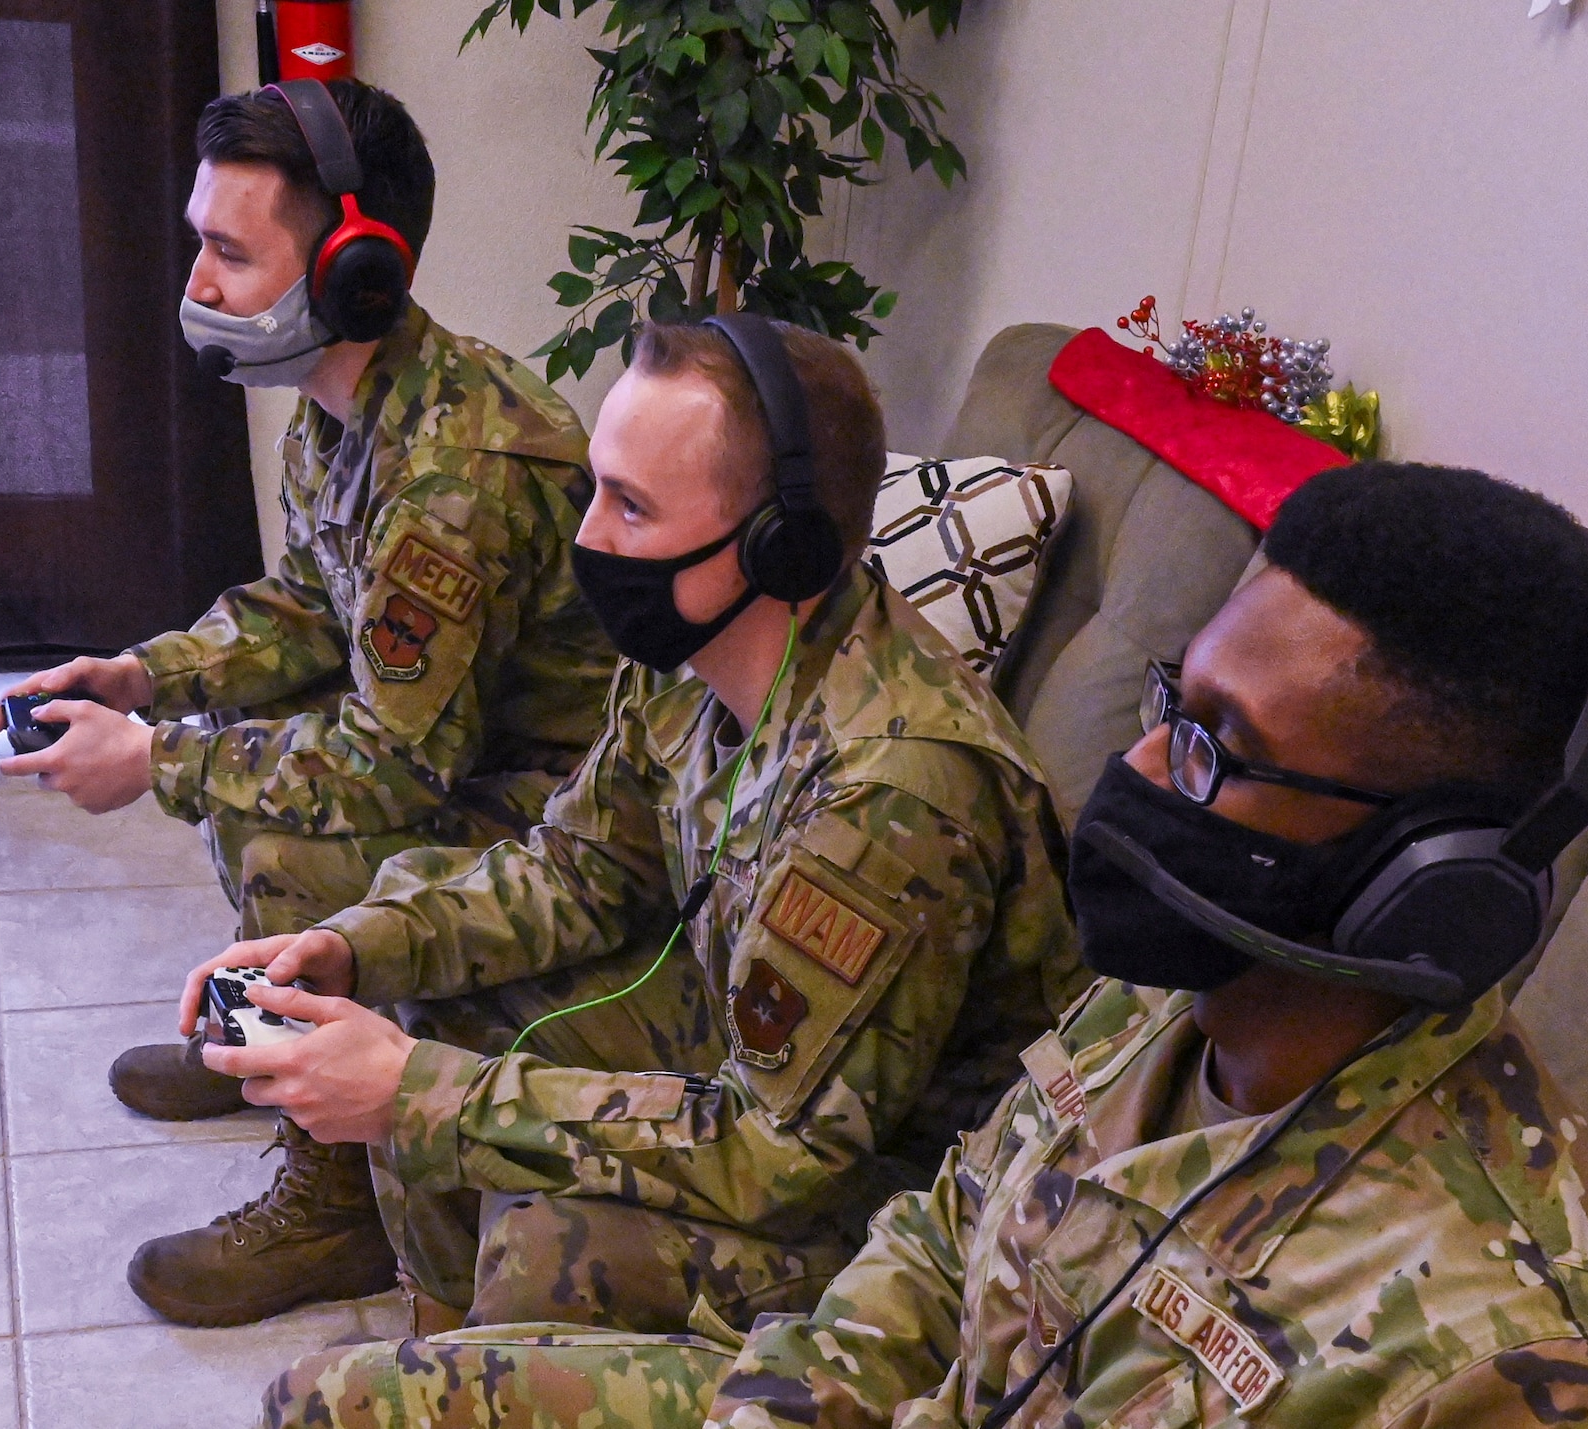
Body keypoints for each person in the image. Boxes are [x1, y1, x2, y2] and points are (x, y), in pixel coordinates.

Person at [255, 464, 1588, 1429]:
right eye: (1179, 706)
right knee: (332, 1406)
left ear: (1426, 889)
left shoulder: (1530, 1366)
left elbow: (802, 1159)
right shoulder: (1166, 1003)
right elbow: (938, 1234)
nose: (1144, 776)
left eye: (1223, 755)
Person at [159, 315, 1087, 1340]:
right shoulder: (692, 640)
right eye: (598, 485)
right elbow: (578, 868)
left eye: (632, 507)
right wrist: (354, 947)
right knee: (419, 996)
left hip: (901, 1180)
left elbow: (781, 1150)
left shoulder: (895, 792)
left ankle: (486, 1374)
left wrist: (429, 1095)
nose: (587, 536)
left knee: (543, 1235)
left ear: (781, 547)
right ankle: (442, 1347)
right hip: (752, 1039)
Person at [0, 79, 617, 1324]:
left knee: (289, 832)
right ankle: (264, 1030)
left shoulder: (456, 471)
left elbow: (393, 768)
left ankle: (336, 1212)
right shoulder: (342, 406)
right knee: (244, 758)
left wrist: (157, 758)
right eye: (199, 241)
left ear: (352, 272)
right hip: (456, 747)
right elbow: (307, 609)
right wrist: (146, 678)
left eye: (231, 252)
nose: (200, 283)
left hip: (558, 812)